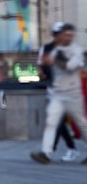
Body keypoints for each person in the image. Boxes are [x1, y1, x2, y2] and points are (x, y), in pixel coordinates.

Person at [31, 22, 87, 165]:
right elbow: (41, 64)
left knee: (80, 123)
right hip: (55, 90)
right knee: (52, 122)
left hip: (72, 91)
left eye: (63, 34)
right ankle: (46, 154)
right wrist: (42, 72)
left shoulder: (75, 50)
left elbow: (71, 67)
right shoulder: (48, 48)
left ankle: (69, 148)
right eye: (57, 34)